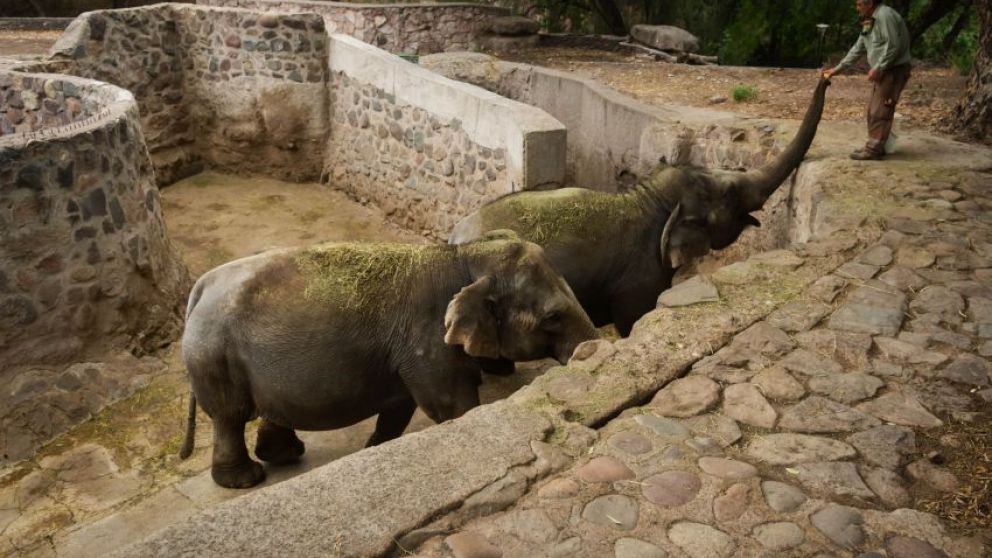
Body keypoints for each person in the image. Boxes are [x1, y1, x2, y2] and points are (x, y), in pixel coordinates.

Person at [822, 0, 911, 160]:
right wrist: (837, 69)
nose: (857, 8)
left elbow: (893, 45)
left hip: (893, 71)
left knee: (880, 110)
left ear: (869, 3)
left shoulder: (885, 15)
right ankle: (875, 146)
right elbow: (858, 47)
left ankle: (873, 150)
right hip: (885, 71)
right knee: (873, 110)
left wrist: (879, 67)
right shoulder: (869, 20)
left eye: (859, 4)